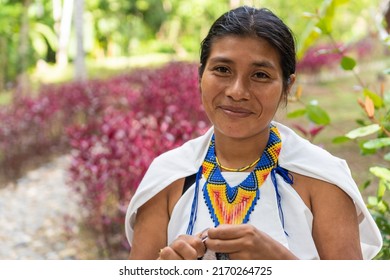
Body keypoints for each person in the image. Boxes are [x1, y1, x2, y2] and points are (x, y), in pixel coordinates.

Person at [125, 6, 383, 260]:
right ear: (200, 74)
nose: (237, 91)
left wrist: (282, 263)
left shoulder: (322, 178)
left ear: (287, 86)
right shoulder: (168, 177)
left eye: (260, 75)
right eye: (222, 70)